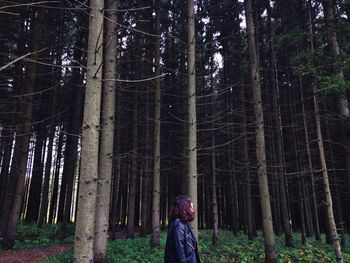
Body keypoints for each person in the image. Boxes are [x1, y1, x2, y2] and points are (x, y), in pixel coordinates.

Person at [164, 196, 201, 263]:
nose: (192, 208)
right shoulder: (178, 225)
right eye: (190, 206)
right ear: (184, 208)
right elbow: (180, 253)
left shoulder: (183, 223)